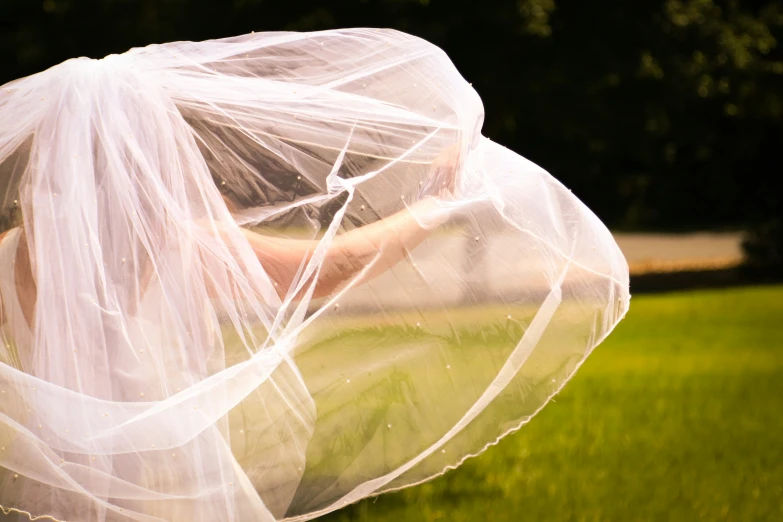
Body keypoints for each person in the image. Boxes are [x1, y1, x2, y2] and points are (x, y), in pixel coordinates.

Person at [0, 28, 630, 521]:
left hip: (55, 496)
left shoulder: (9, 255)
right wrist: (433, 206)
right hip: (168, 495)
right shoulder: (179, 247)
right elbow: (330, 268)